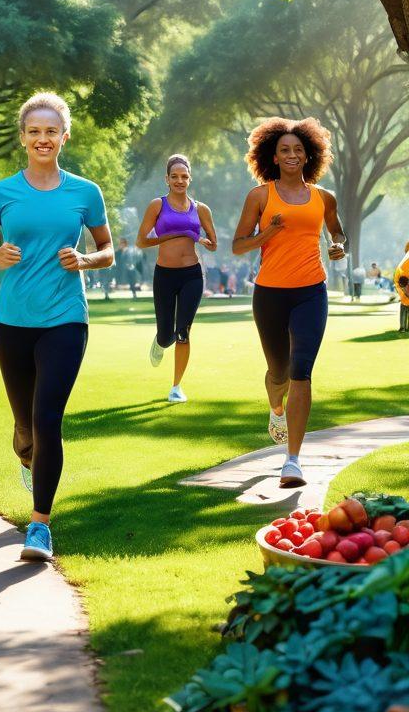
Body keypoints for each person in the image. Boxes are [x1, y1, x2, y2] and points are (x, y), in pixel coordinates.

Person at [0, 92, 114, 563]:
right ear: (23, 138)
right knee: (27, 424)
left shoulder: (85, 193)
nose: (43, 138)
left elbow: (108, 250)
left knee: (49, 419)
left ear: (64, 137)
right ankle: (24, 443)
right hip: (11, 322)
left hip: (65, 319)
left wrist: (85, 259)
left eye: (51, 131)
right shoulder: (2, 191)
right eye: (34, 131)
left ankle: (39, 526)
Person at [232, 117, 346, 489]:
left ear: (308, 154)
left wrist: (338, 245)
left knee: (301, 371)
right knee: (278, 374)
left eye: (299, 149)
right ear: (274, 157)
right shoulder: (260, 196)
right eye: (285, 150)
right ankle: (275, 409)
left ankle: (293, 461)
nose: (292, 154)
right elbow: (238, 245)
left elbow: (337, 229)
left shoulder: (322, 197)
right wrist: (268, 232)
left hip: (312, 292)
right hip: (270, 294)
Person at [136, 154, 217, 403]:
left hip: (192, 274)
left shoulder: (201, 208)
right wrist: (174, 235)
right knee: (166, 334)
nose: (179, 181)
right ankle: (160, 341)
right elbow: (142, 241)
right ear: (167, 179)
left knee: (183, 331)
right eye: (175, 177)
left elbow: (214, 244)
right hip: (165, 275)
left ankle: (176, 387)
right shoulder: (157, 205)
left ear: (189, 178)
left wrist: (204, 240)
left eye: (184, 176)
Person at [394, 243, 409, 332]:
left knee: (404, 306)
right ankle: (404, 327)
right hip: (404, 282)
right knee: (405, 305)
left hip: (403, 284)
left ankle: (403, 327)